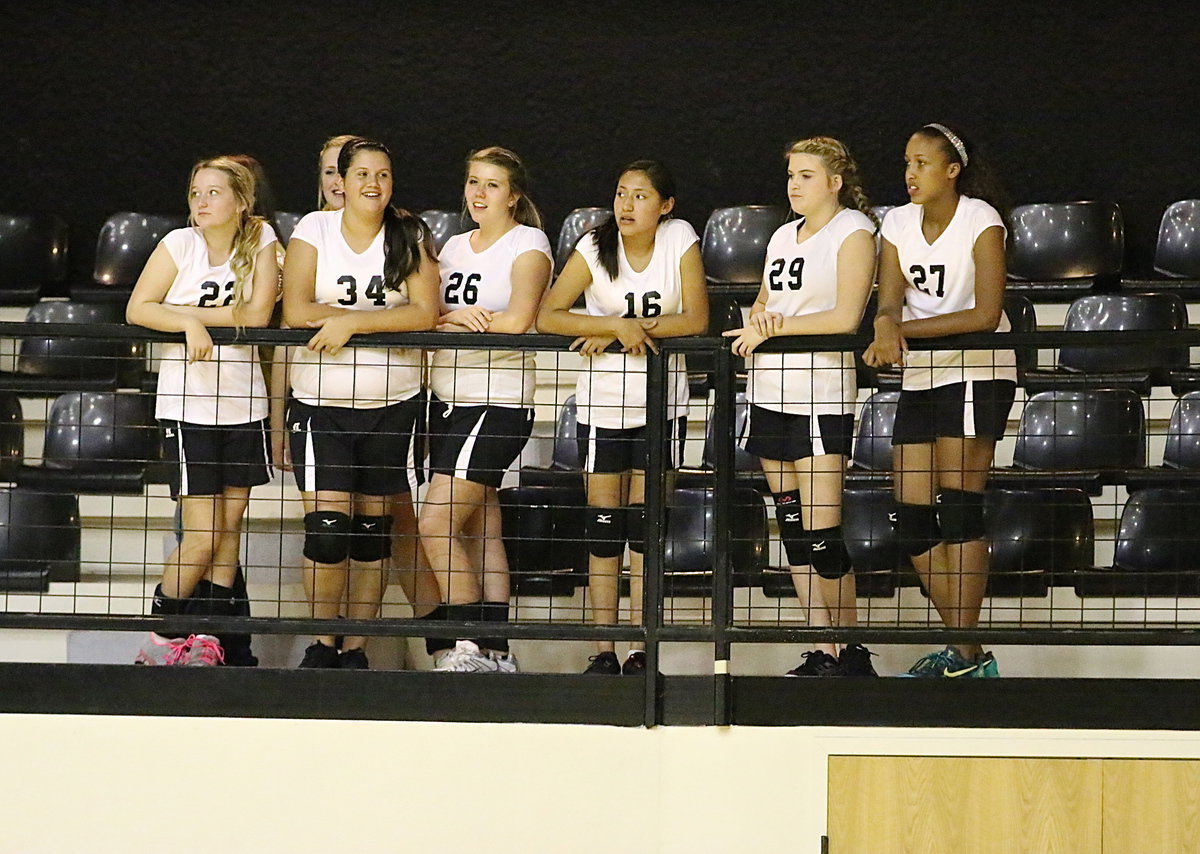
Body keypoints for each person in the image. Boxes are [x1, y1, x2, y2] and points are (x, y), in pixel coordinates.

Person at [537, 159, 708, 675]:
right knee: (604, 530)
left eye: (640, 195)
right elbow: (549, 315)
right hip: (602, 404)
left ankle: (642, 646)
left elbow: (697, 317)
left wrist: (622, 328)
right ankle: (605, 647)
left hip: (662, 404)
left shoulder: (680, 238)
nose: (627, 204)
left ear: (665, 205)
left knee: (645, 529)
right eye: (620, 193)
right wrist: (616, 325)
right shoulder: (594, 245)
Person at [863, 122, 1014, 678]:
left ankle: (962, 651)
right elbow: (889, 300)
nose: (910, 173)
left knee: (959, 510)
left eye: (922, 163)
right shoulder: (897, 223)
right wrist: (885, 322)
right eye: (906, 162)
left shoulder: (981, 219)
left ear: (952, 170)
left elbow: (985, 315)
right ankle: (969, 649)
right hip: (922, 375)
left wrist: (900, 333)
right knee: (911, 515)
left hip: (977, 369)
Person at [282, 137, 440, 669]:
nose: (374, 183)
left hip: (393, 404)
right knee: (328, 534)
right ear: (341, 183)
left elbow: (424, 313)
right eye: (363, 174)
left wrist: (350, 322)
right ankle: (323, 642)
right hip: (321, 406)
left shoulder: (408, 234)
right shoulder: (314, 229)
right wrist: (377, 321)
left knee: (372, 537)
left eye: (385, 175)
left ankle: (356, 648)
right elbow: (297, 309)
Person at [724, 136, 878, 677]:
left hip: (819, 396)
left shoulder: (854, 230)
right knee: (791, 527)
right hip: (770, 393)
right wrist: (757, 322)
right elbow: (765, 303)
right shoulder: (782, 236)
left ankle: (848, 645)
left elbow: (844, 318)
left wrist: (777, 326)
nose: (794, 184)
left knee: (823, 531)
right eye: (791, 174)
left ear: (835, 182)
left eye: (807, 175)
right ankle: (822, 647)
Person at [126, 157, 279, 665]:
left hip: (244, 403)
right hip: (188, 405)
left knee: (229, 529)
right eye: (196, 192)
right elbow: (138, 307)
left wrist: (187, 316)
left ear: (241, 200)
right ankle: (162, 636)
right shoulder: (177, 244)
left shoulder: (261, 239)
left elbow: (256, 315)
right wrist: (190, 325)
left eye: (214, 192)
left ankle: (208, 637)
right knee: (203, 533)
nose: (201, 201)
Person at [419, 146, 552, 673]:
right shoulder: (452, 245)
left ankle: (468, 644)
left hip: (498, 401)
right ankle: (498, 651)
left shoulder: (529, 242)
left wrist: (453, 322)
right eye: (473, 181)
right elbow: (432, 314)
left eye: (492, 184)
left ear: (514, 194)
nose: (478, 193)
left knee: (436, 522)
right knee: (481, 526)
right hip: (449, 396)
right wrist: (452, 320)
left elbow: (518, 320)